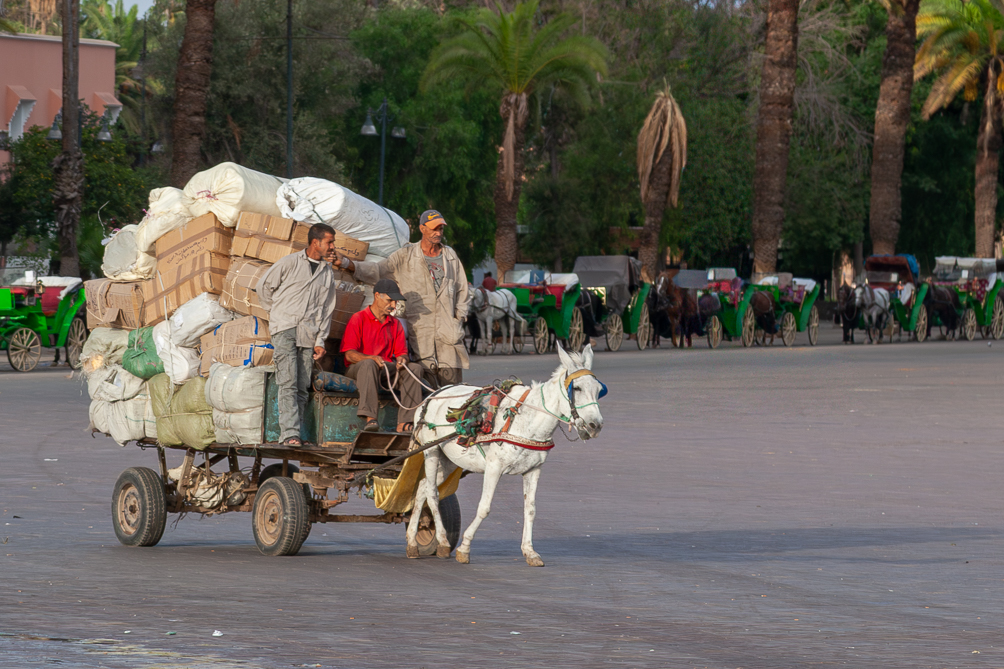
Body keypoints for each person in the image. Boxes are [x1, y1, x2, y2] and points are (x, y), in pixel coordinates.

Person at [334, 209, 469, 388]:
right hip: (422, 337)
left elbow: (463, 291)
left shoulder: (450, 256)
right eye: (434, 228)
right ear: (422, 228)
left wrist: (458, 320)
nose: (438, 233)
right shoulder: (405, 256)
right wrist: (348, 264)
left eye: (441, 229)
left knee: (452, 391)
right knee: (427, 391)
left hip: (449, 337)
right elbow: (378, 271)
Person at [257, 223, 338, 446]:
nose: (332, 246)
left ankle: (298, 433)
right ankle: (289, 434)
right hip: (285, 330)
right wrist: (277, 315)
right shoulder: (290, 263)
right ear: (315, 242)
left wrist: (320, 340)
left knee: (302, 385)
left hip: (308, 334)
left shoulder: (327, 272)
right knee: (288, 381)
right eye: (329, 242)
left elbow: (327, 309)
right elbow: (263, 287)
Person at [340, 279, 425, 433]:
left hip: (385, 369)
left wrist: (402, 360)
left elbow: (402, 353)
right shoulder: (358, 318)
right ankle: (370, 418)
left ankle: (405, 421)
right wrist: (369, 358)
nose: (393, 305)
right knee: (368, 365)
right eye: (390, 300)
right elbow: (349, 355)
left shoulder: (395, 324)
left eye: (395, 301)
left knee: (414, 368)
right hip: (360, 369)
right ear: (377, 296)